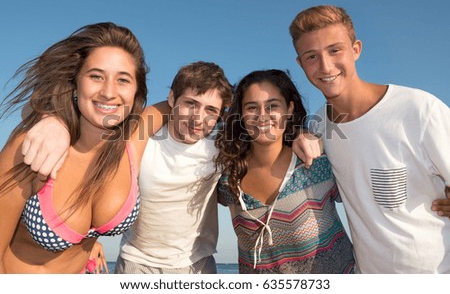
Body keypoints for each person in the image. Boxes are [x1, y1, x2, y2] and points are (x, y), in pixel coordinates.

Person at [289, 5, 450, 273]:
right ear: (300, 63)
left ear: (356, 49)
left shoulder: (420, 109)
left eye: (334, 50)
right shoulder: (318, 125)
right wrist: (303, 133)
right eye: (311, 56)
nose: (325, 66)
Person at [0, 22, 155, 273]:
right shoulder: (34, 147)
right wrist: (51, 115)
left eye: (123, 80)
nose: (108, 92)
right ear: (75, 83)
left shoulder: (130, 142)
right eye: (96, 76)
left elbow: (174, 107)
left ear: (137, 92)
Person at [214, 69, 355, 274]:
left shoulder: (316, 163)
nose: (262, 116)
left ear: (289, 109)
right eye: (252, 107)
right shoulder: (229, 178)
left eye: (272, 106)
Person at [114, 61, 233, 274]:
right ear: (171, 98)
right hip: (137, 261)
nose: (198, 118)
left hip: (197, 263)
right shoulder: (141, 137)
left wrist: (301, 135)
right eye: (190, 103)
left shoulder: (221, 143)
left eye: (210, 110)